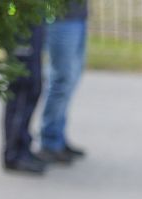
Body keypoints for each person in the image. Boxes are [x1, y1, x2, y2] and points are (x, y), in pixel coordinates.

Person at [39, 0, 88, 164]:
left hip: (77, 14)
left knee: (71, 79)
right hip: (58, 17)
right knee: (61, 80)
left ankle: (58, 136)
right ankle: (50, 140)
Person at [3, 22, 46, 174]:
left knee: (33, 88)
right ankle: (14, 154)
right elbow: (11, 7)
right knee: (22, 88)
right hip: (23, 24)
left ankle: (23, 149)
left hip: (34, 19)